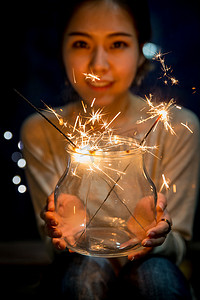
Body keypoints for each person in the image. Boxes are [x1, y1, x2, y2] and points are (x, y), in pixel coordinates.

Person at [21, 0, 200, 298]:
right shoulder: (40, 131)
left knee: (155, 274)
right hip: (76, 277)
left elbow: (178, 245)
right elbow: (58, 250)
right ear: (61, 50)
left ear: (141, 49)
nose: (99, 65)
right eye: (81, 43)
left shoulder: (178, 127)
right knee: (82, 273)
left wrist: (156, 237)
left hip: (158, 277)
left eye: (117, 43)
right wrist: (65, 231)